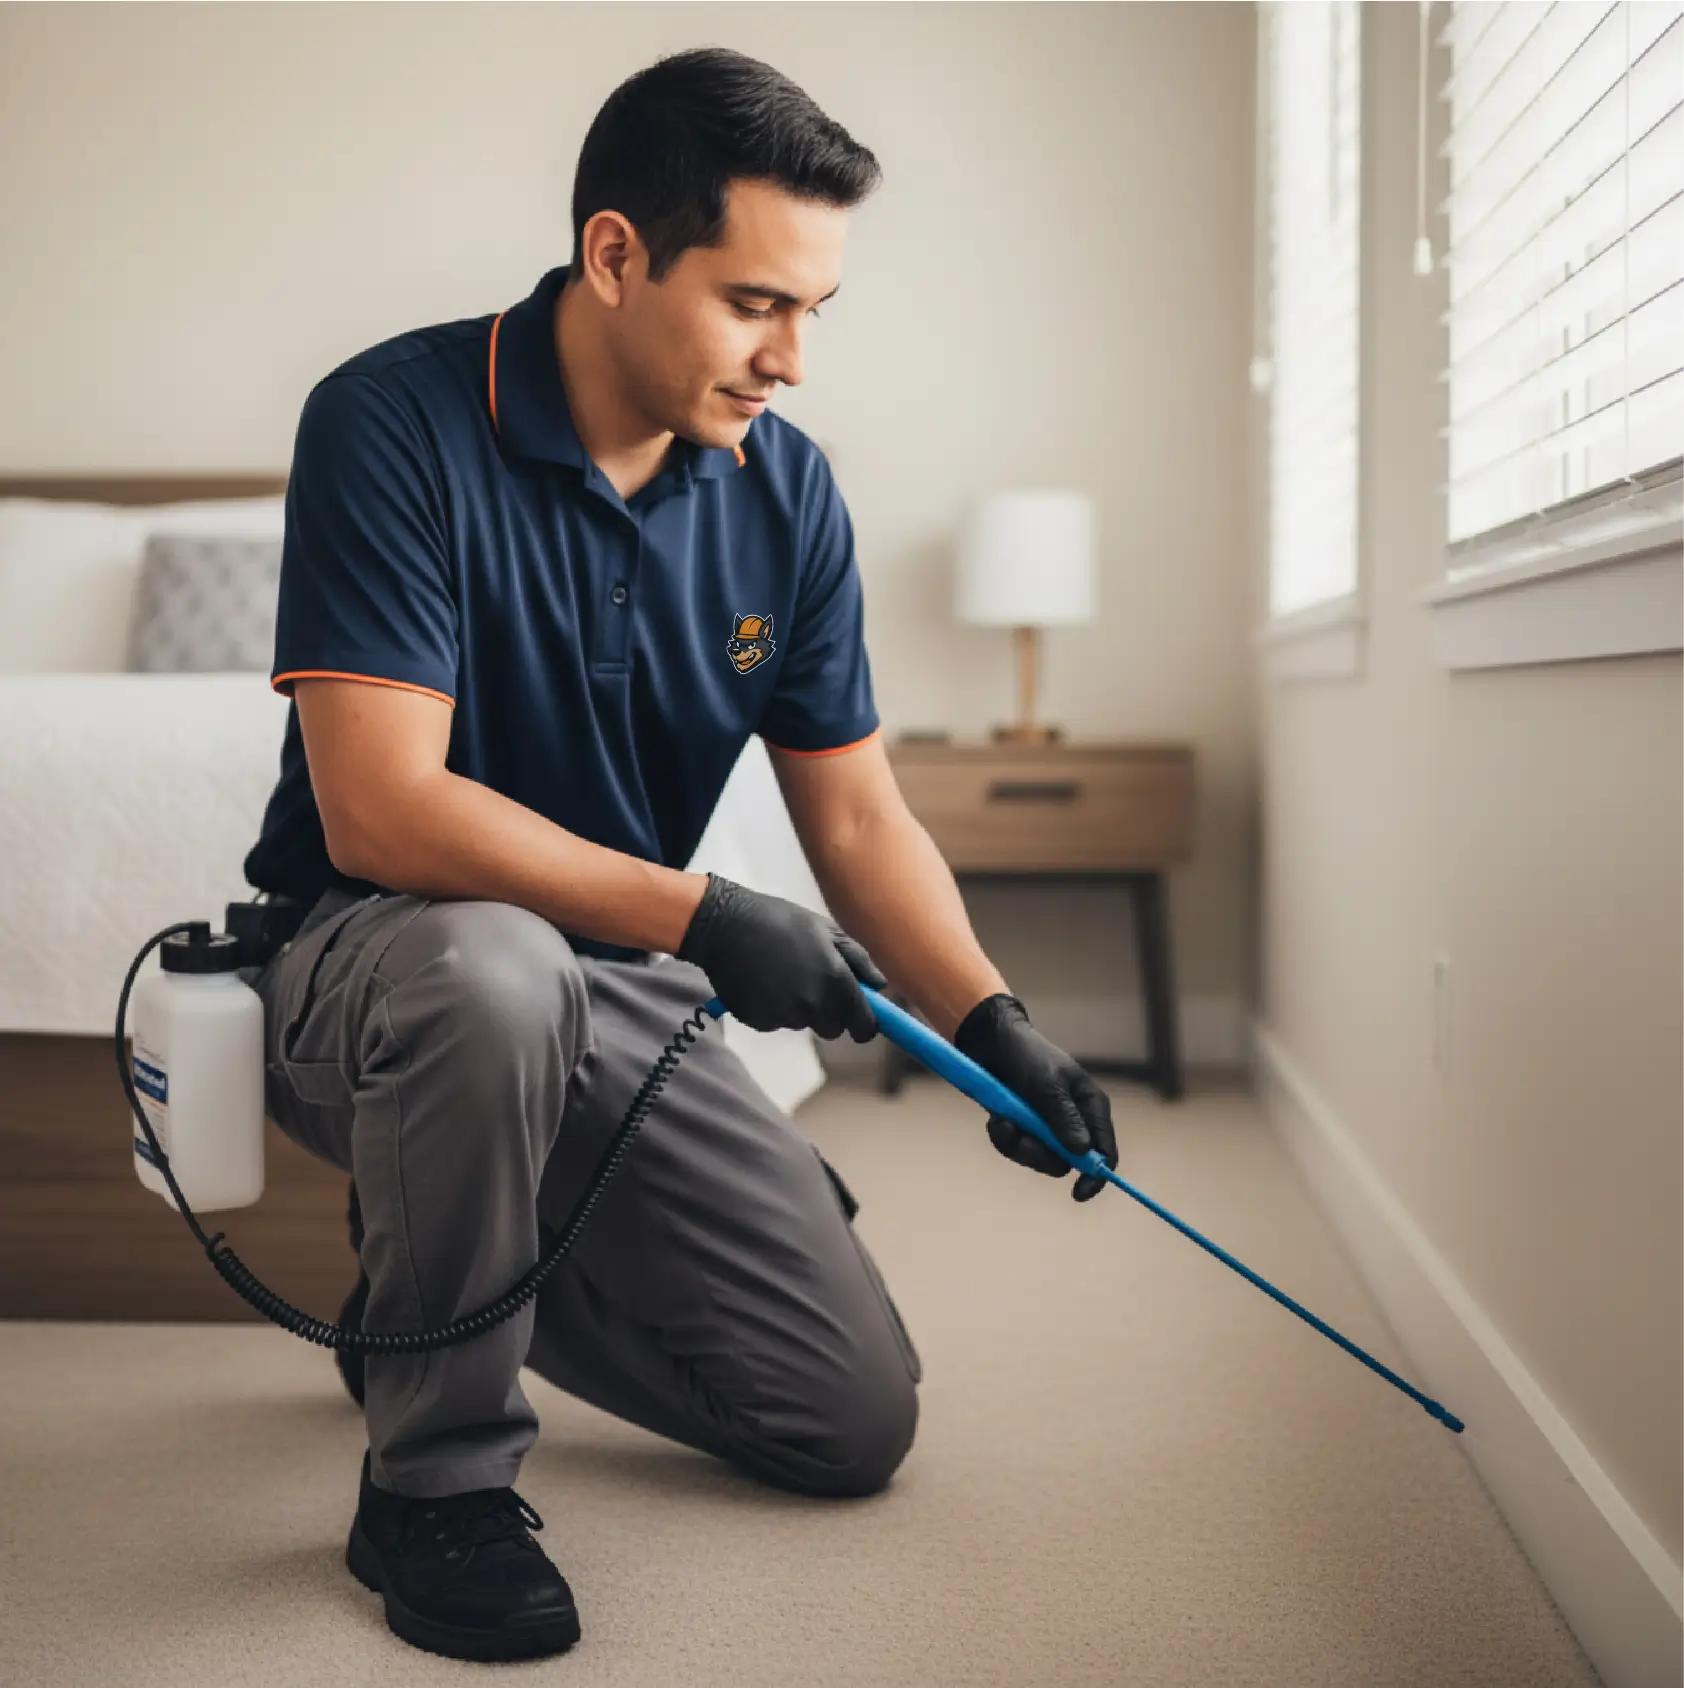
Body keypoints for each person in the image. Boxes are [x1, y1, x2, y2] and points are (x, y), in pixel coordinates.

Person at [240, 44, 1119, 1665]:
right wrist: (708, 911)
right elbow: (381, 810)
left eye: (814, 314)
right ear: (618, 254)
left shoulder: (787, 495)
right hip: (376, 963)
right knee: (492, 968)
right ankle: (432, 1487)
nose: (790, 359)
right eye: (754, 304)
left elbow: (855, 811)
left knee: (848, 1421)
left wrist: (993, 1021)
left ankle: (421, 1300)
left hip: (615, 986)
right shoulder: (389, 420)